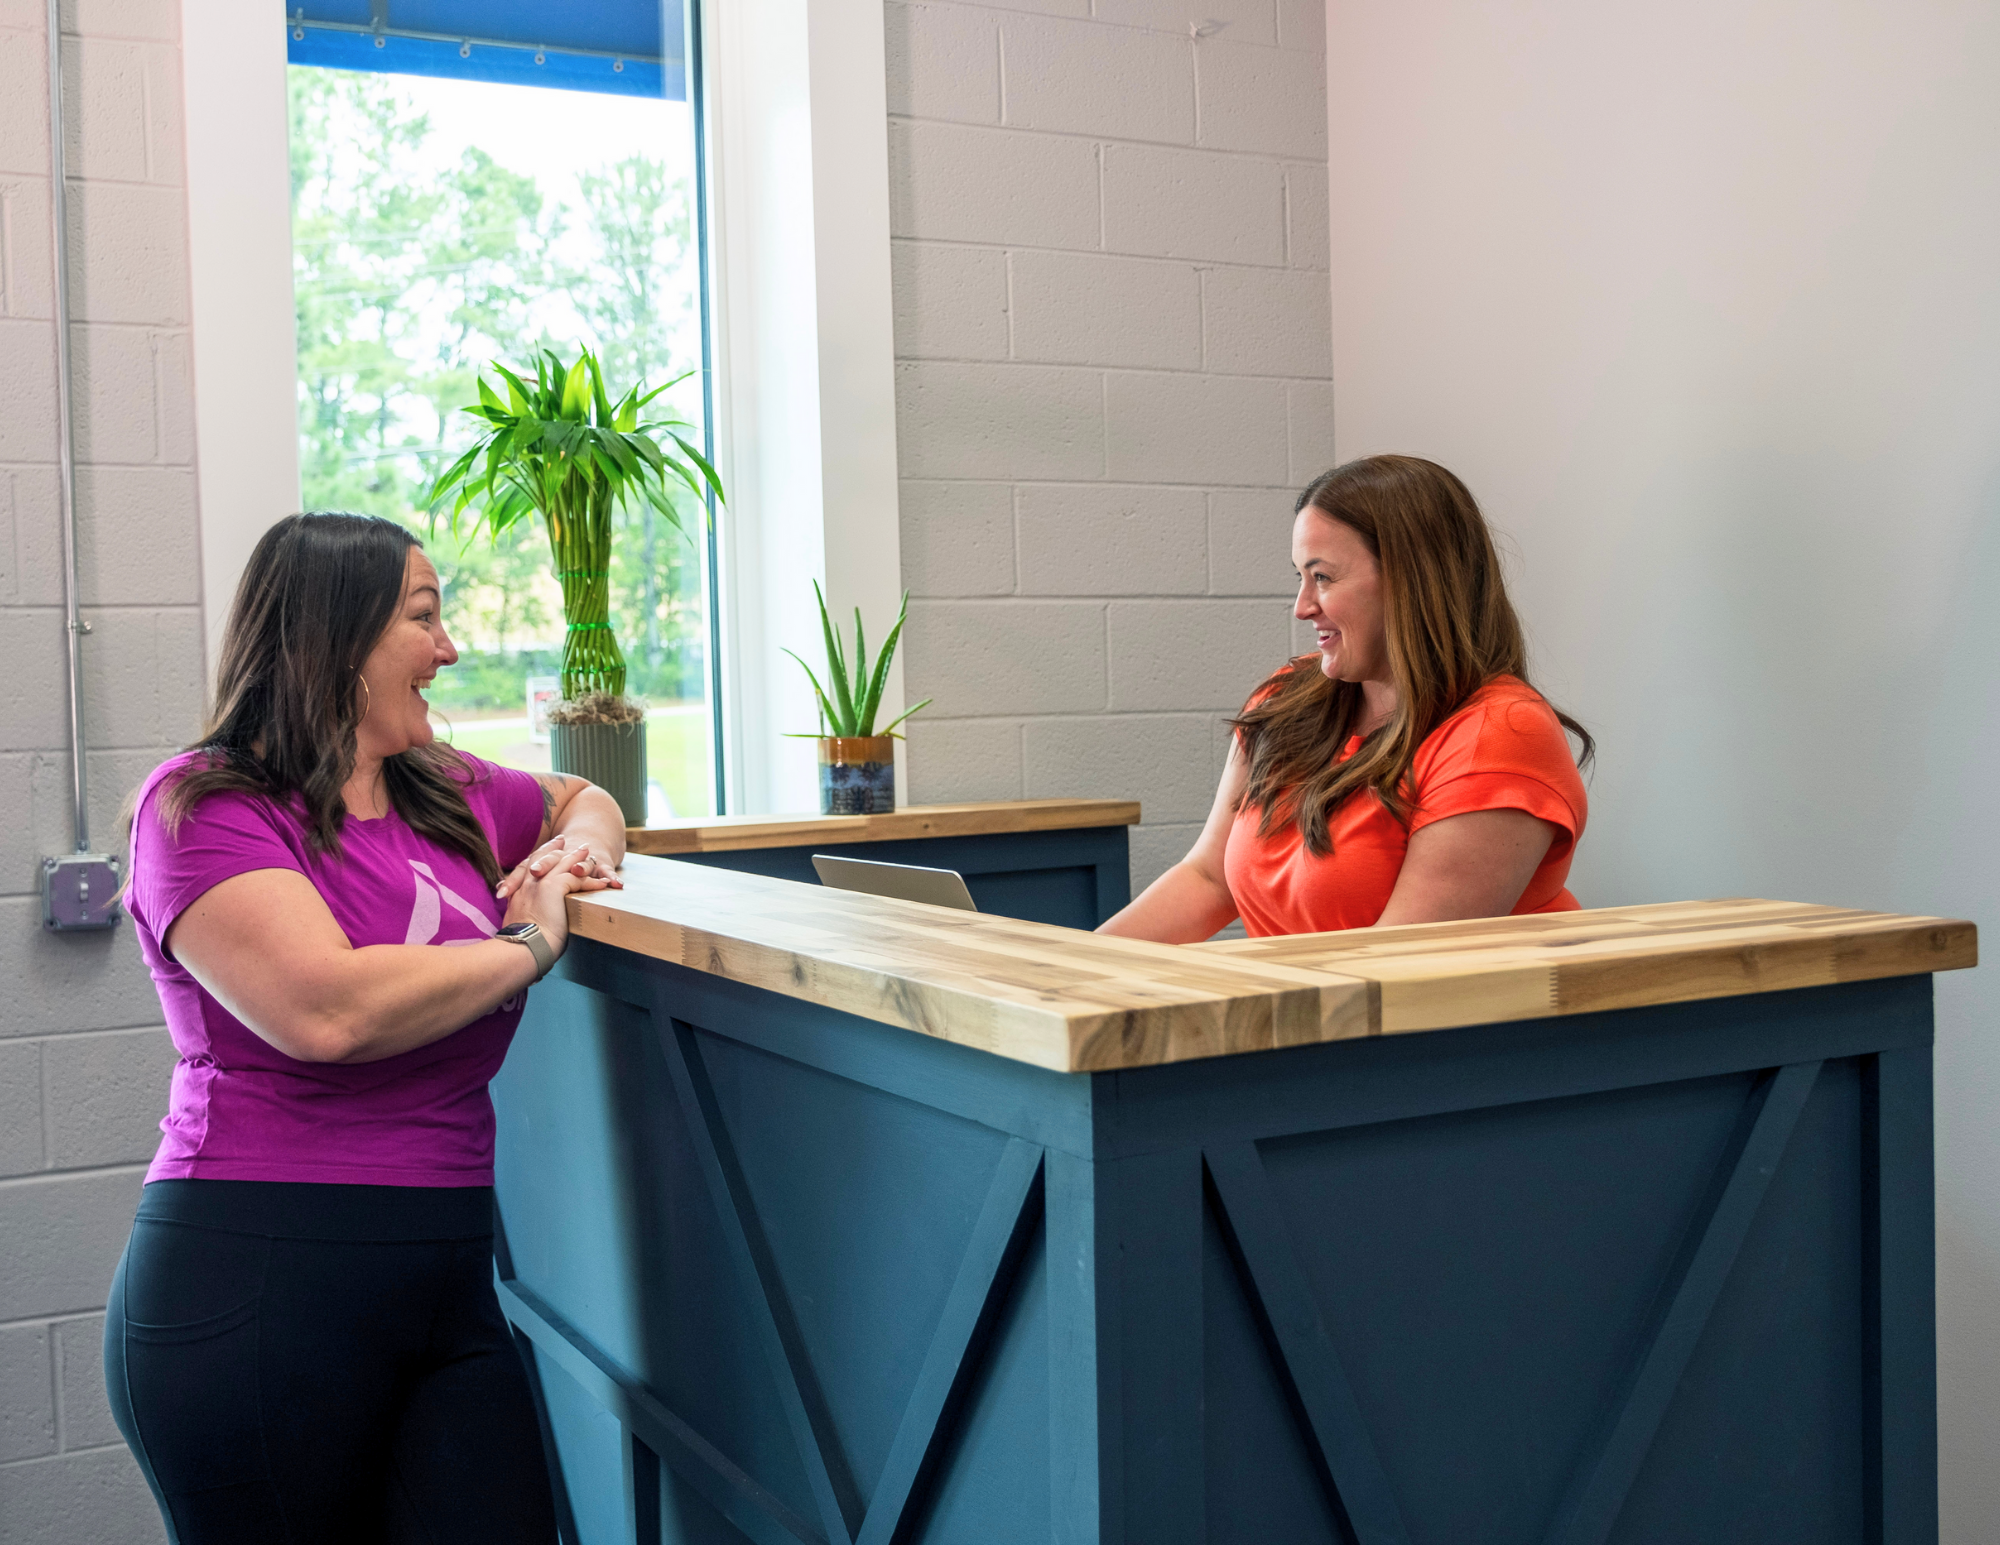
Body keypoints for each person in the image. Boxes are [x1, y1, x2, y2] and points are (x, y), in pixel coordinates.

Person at [105, 512, 628, 1544]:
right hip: (257, 1273)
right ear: (333, 641)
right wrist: (528, 947)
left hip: (443, 1271)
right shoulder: (205, 806)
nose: (451, 650)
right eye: (424, 618)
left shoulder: (444, 792)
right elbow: (324, 1012)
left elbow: (586, 791)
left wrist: (574, 854)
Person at [1100, 455, 1591, 943]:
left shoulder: (1499, 733)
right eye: (1300, 577)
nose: (1302, 607)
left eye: (1323, 578)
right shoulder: (1287, 698)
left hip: (1408, 1016)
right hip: (1294, 1010)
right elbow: (1208, 881)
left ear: (1411, 581)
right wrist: (1079, 969)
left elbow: (1401, 962)